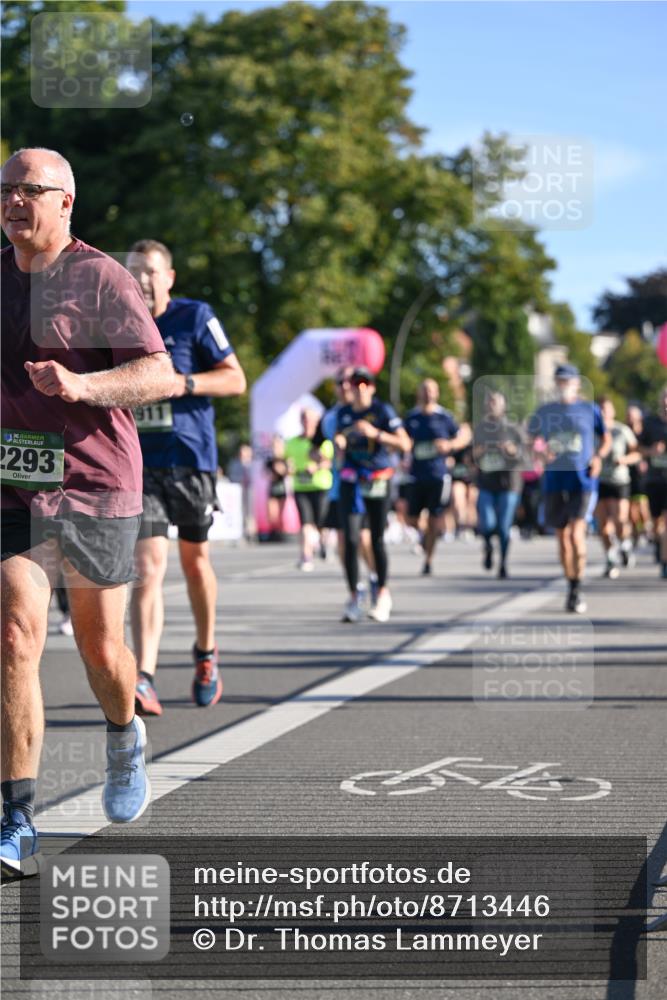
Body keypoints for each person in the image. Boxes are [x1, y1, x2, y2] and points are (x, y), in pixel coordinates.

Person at [1, 148, 175, 875]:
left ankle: (123, 730)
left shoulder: (98, 277)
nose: (13, 201)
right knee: (14, 625)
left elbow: (156, 373)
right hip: (14, 482)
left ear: (65, 202)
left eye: (28, 190)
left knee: (103, 654)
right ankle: (15, 819)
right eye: (5, 189)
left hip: (95, 484)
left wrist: (81, 386)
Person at [127, 239, 246, 716]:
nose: (142, 280)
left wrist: (182, 382)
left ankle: (205, 653)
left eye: (151, 271)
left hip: (191, 460)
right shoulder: (116, 323)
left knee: (195, 564)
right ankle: (145, 676)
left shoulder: (195, 317)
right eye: (134, 270)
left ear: (169, 277)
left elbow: (235, 379)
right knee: (148, 567)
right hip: (142, 463)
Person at [527, 363, 610, 613]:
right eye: (559, 381)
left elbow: (605, 438)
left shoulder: (589, 409)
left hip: (582, 480)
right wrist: (539, 454)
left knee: (576, 534)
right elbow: (530, 437)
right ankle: (571, 582)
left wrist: (598, 457)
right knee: (563, 540)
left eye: (567, 381)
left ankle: (576, 588)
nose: (563, 385)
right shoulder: (545, 411)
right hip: (555, 480)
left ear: (576, 383)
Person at [334, 367, 411, 623]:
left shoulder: (382, 411)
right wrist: (336, 446)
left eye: (364, 383)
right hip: (351, 481)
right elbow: (329, 442)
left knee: (376, 539)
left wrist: (375, 434)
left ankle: (382, 593)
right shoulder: (342, 414)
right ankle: (355, 596)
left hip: (378, 479)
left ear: (372, 387)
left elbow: (404, 443)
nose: (359, 388)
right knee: (351, 539)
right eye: (355, 383)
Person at [317, 367, 377, 600]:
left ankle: (374, 575)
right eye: (340, 382)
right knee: (344, 541)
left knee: (362, 538)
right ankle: (355, 587)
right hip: (338, 487)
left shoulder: (369, 411)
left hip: (366, 485)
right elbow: (317, 444)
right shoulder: (331, 417)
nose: (345, 386)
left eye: (349, 382)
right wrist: (318, 456)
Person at [404, 378, 469, 575]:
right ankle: (423, 534)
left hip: (438, 475)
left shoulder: (444, 417)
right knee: (411, 518)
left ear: (437, 393)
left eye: (432, 390)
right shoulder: (411, 417)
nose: (428, 394)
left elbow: (464, 436)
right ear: (419, 393)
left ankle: (428, 560)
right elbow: (401, 438)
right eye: (424, 390)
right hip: (416, 475)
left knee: (434, 519)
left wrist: (449, 445)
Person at [473, 389, 525, 579]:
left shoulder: (513, 428)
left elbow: (524, 455)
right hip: (486, 482)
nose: (492, 405)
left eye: (496, 402)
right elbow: (470, 456)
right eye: (490, 402)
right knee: (486, 524)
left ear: (503, 406)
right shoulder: (480, 429)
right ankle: (487, 545)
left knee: (504, 527)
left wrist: (511, 450)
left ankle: (503, 562)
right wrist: (479, 452)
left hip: (508, 484)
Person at [595, 397, 640, 578]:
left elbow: (637, 453)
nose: (604, 413)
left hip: (619, 480)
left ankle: (625, 544)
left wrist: (624, 460)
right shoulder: (592, 432)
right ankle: (610, 558)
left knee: (620, 519)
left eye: (607, 409)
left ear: (613, 411)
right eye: (601, 410)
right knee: (604, 525)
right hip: (599, 481)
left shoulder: (622, 430)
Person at [285, 408, 333, 571]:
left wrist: (317, 466)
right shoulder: (292, 442)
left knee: (320, 522)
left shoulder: (324, 442)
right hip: (301, 486)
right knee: (305, 522)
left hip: (321, 485)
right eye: (304, 419)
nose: (307, 422)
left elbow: (330, 462)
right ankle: (306, 556)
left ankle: (324, 543)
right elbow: (285, 461)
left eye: (310, 419)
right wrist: (286, 467)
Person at [638, 385, 667, 578]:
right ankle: (658, 545)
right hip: (654, 480)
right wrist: (650, 452)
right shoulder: (649, 423)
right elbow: (637, 448)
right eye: (664, 398)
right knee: (657, 522)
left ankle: (665, 562)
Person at [626, 403, 653, 547]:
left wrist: (643, 459)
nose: (630, 418)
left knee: (643, 506)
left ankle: (647, 529)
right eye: (628, 415)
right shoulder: (625, 431)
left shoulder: (645, 432)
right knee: (632, 511)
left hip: (644, 474)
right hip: (629, 473)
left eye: (633, 415)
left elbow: (648, 450)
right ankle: (637, 533)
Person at [227, 442, 255, 542]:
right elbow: (232, 476)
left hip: (251, 489)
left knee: (251, 511)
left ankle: (251, 533)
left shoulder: (253, 464)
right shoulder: (235, 463)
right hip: (239, 490)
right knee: (241, 510)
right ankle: (242, 532)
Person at [265, 434, 289, 541]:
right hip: (273, 488)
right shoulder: (270, 460)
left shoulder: (285, 458)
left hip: (282, 488)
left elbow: (289, 471)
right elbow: (265, 473)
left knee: (281, 512)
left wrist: (281, 469)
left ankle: (280, 533)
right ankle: (273, 532)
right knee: (272, 513)